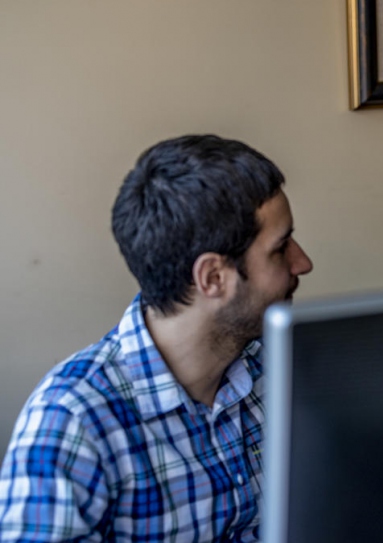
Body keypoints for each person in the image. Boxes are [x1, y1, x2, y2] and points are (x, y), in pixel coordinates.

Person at [0, 135, 313, 541]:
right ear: (213, 278)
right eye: (280, 247)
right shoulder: (72, 420)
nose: (302, 263)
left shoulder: (277, 366)